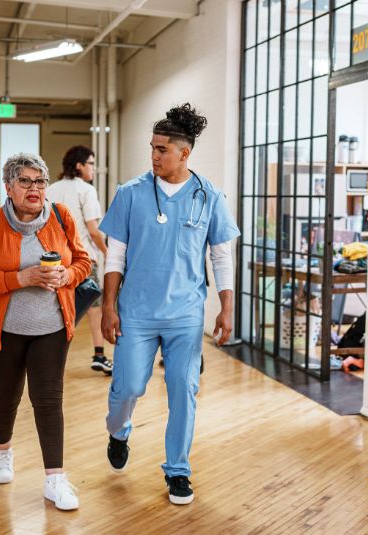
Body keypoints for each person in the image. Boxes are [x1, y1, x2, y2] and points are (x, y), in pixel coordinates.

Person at [98, 103, 240, 505]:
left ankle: (177, 470)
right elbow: (115, 256)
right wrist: (109, 307)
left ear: (184, 153)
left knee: (183, 388)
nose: (154, 156)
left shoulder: (209, 195)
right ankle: (118, 430)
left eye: (162, 149)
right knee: (128, 386)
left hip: (185, 314)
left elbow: (221, 256)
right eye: (152, 148)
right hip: (136, 312)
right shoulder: (130, 194)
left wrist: (226, 308)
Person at [0, 152, 92, 511]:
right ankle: (2, 452)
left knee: (49, 400)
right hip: (4, 329)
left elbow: (83, 261)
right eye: (25, 181)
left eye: (40, 181)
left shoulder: (62, 217)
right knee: (5, 397)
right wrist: (21, 278)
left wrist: (67, 275)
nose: (34, 188)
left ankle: (55, 479)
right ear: (9, 187)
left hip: (51, 326)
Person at [46, 145, 112, 376]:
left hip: (55, 261)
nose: (94, 168)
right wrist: (107, 252)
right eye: (91, 164)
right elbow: (93, 230)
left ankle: (50, 358)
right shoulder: (86, 190)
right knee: (94, 308)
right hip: (83, 261)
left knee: (58, 310)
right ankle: (99, 355)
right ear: (79, 166)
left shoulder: (50, 189)